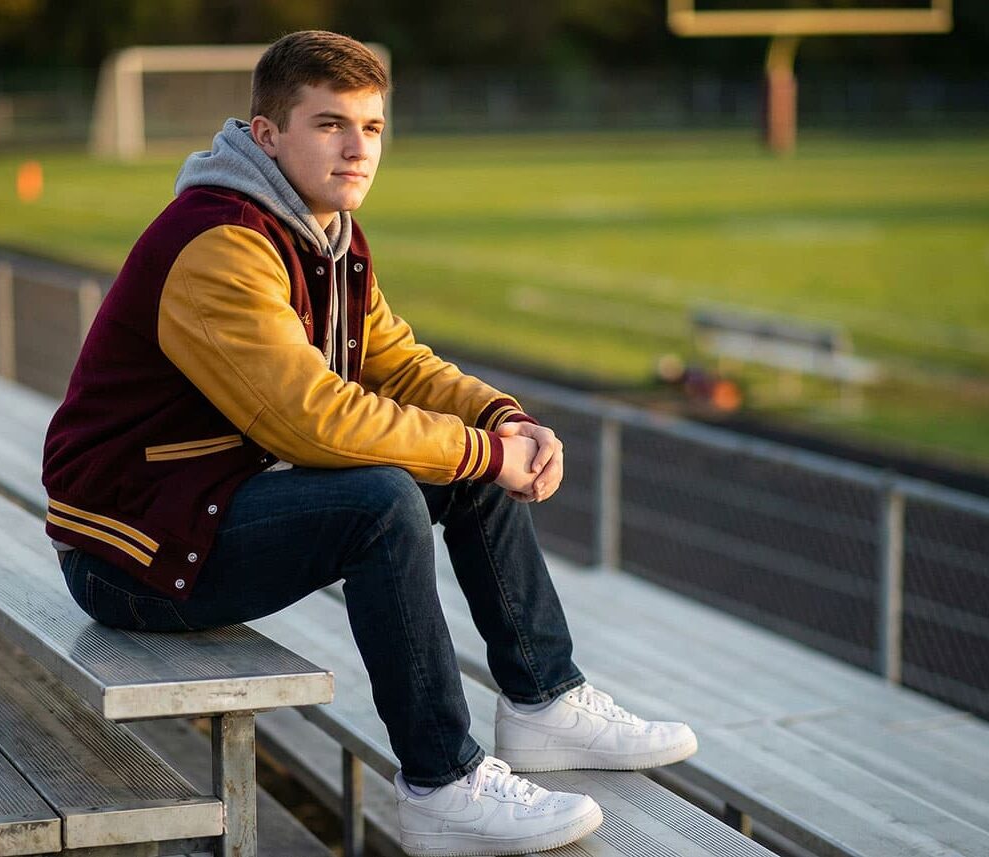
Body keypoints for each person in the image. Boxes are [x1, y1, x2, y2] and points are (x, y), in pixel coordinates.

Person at [42, 30, 697, 857]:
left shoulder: (328, 234)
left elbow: (398, 363)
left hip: (204, 505)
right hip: (132, 551)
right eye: (330, 125)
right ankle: (441, 782)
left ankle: (543, 702)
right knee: (383, 501)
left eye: (373, 127)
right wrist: (477, 449)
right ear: (268, 134)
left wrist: (501, 421)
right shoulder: (220, 243)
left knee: (461, 460)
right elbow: (309, 419)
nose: (358, 149)